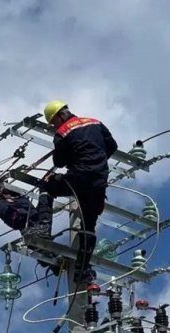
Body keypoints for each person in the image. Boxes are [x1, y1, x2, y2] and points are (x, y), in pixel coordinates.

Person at [26, 100, 118, 283]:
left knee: (47, 186)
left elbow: (59, 162)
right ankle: (82, 271)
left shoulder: (62, 132)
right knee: (88, 227)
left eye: (54, 122)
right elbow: (112, 146)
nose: (54, 126)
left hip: (78, 178)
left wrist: (76, 159)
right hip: (98, 182)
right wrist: (97, 160)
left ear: (61, 116)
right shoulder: (95, 122)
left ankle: (43, 227)